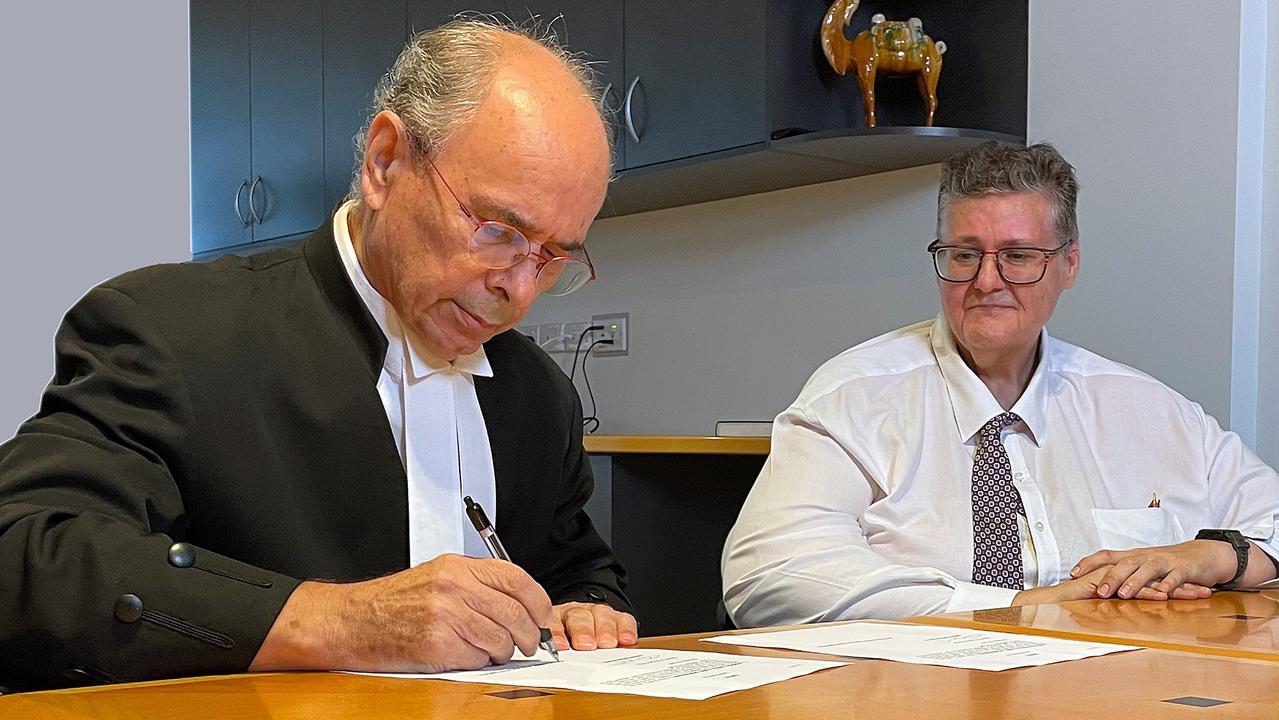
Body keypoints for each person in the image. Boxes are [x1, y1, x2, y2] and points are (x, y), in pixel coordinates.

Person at [0, 19, 636, 692]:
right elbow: (27, 553)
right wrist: (342, 621)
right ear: (385, 162)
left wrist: (587, 614)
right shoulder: (174, 331)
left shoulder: (539, 395)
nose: (519, 289)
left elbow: (580, 569)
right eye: (497, 230)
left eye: (552, 256)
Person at [721, 141, 1279, 627]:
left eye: (1018, 256)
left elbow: (1269, 521)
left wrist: (1219, 553)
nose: (987, 281)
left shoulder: (1146, 409)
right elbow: (770, 574)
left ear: (1069, 265)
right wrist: (1012, 606)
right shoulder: (853, 398)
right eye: (965, 255)